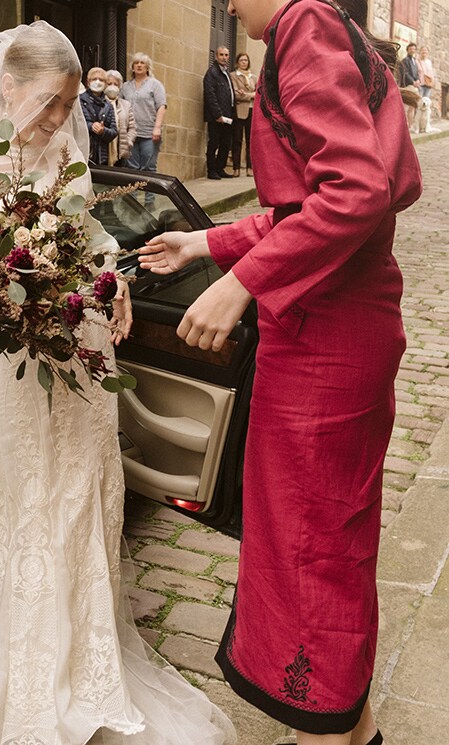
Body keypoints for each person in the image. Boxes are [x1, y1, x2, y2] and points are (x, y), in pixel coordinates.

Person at [0, 20, 236, 745]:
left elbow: (91, 241)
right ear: (8, 89)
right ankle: (11, 659)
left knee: (80, 494)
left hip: (80, 360)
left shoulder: (67, 160)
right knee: (17, 495)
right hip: (5, 367)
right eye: (51, 103)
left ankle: (85, 654)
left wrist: (112, 282)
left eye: (69, 104)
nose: (62, 120)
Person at [139, 0, 421, 743]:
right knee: (322, 537)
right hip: (334, 327)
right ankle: (349, 730)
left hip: (327, 335)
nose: (225, 2)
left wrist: (241, 282)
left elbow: (353, 193)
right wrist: (204, 246)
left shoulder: (305, 28)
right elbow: (306, 204)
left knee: (310, 547)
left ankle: (323, 728)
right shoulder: (323, 30)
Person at [120, 53, 166, 173]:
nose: (139, 65)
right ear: (132, 67)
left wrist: (157, 128)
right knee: (132, 167)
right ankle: (134, 192)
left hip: (149, 133)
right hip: (130, 133)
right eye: (136, 63)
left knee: (148, 166)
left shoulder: (155, 85)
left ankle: (149, 192)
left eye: (142, 63)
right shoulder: (125, 86)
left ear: (147, 67)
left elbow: (161, 106)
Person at [203, 46, 235, 180]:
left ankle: (220, 168)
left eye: (226, 55)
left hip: (228, 115)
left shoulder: (226, 72)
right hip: (217, 116)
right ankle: (211, 170)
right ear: (216, 56)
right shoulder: (212, 73)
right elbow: (210, 95)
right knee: (214, 142)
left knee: (225, 143)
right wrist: (217, 115)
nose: (224, 57)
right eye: (221, 55)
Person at [79, 66, 117, 165]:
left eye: (101, 80)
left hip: (101, 156)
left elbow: (114, 131)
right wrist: (91, 126)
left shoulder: (109, 105)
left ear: (105, 84)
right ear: (88, 82)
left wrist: (103, 131)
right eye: (94, 79)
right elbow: (75, 124)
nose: (97, 82)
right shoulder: (79, 101)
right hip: (82, 151)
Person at [230, 53, 255, 177]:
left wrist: (246, 94)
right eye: (241, 60)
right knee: (237, 140)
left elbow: (258, 93)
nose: (244, 62)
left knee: (251, 141)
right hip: (239, 111)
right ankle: (236, 168)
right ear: (237, 62)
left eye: (246, 60)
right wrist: (251, 95)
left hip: (252, 111)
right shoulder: (233, 76)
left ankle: (250, 167)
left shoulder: (253, 77)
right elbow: (236, 94)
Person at [105, 69, 136, 166]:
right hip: (103, 151)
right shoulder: (100, 103)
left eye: (116, 84)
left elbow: (132, 127)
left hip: (121, 151)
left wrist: (128, 142)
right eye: (109, 83)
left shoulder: (126, 105)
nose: (112, 87)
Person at [397, 43, 420, 129]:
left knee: (413, 107)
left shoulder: (414, 61)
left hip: (414, 86)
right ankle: (404, 126)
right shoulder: (405, 61)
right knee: (405, 108)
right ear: (407, 50)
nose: (412, 50)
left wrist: (417, 80)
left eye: (414, 49)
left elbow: (416, 73)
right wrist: (413, 82)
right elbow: (405, 73)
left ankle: (410, 126)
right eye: (411, 49)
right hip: (408, 86)